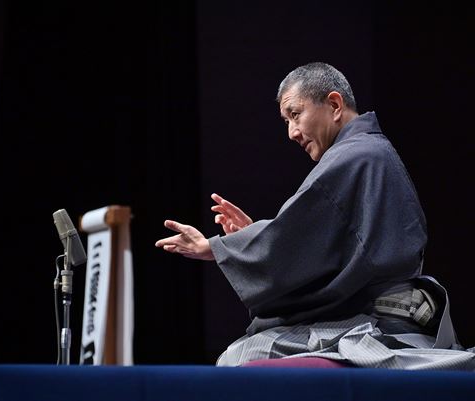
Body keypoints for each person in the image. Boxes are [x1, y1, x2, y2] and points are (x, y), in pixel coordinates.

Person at [155, 62, 475, 370]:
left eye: (295, 114)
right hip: (387, 309)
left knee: (239, 356)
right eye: (286, 121)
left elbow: (294, 238)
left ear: (334, 105)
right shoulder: (369, 151)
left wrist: (214, 247)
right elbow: (319, 240)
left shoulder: (354, 156)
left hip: (375, 318)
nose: (292, 132)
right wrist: (254, 236)